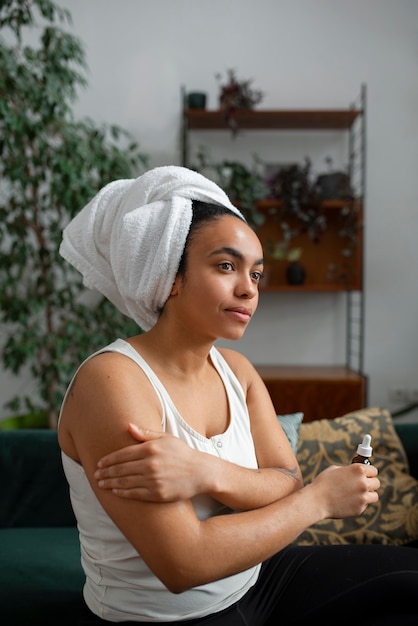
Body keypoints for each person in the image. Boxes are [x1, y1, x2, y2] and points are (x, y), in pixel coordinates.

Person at [58, 165, 418, 626]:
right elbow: (184, 563)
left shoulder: (237, 371)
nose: (249, 288)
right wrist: (318, 502)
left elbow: (286, 477)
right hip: (170, 616)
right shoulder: (111, 383)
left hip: (258, 579)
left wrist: (206, 471)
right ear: (169, 275)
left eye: (257, 272)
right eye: (226, 266)